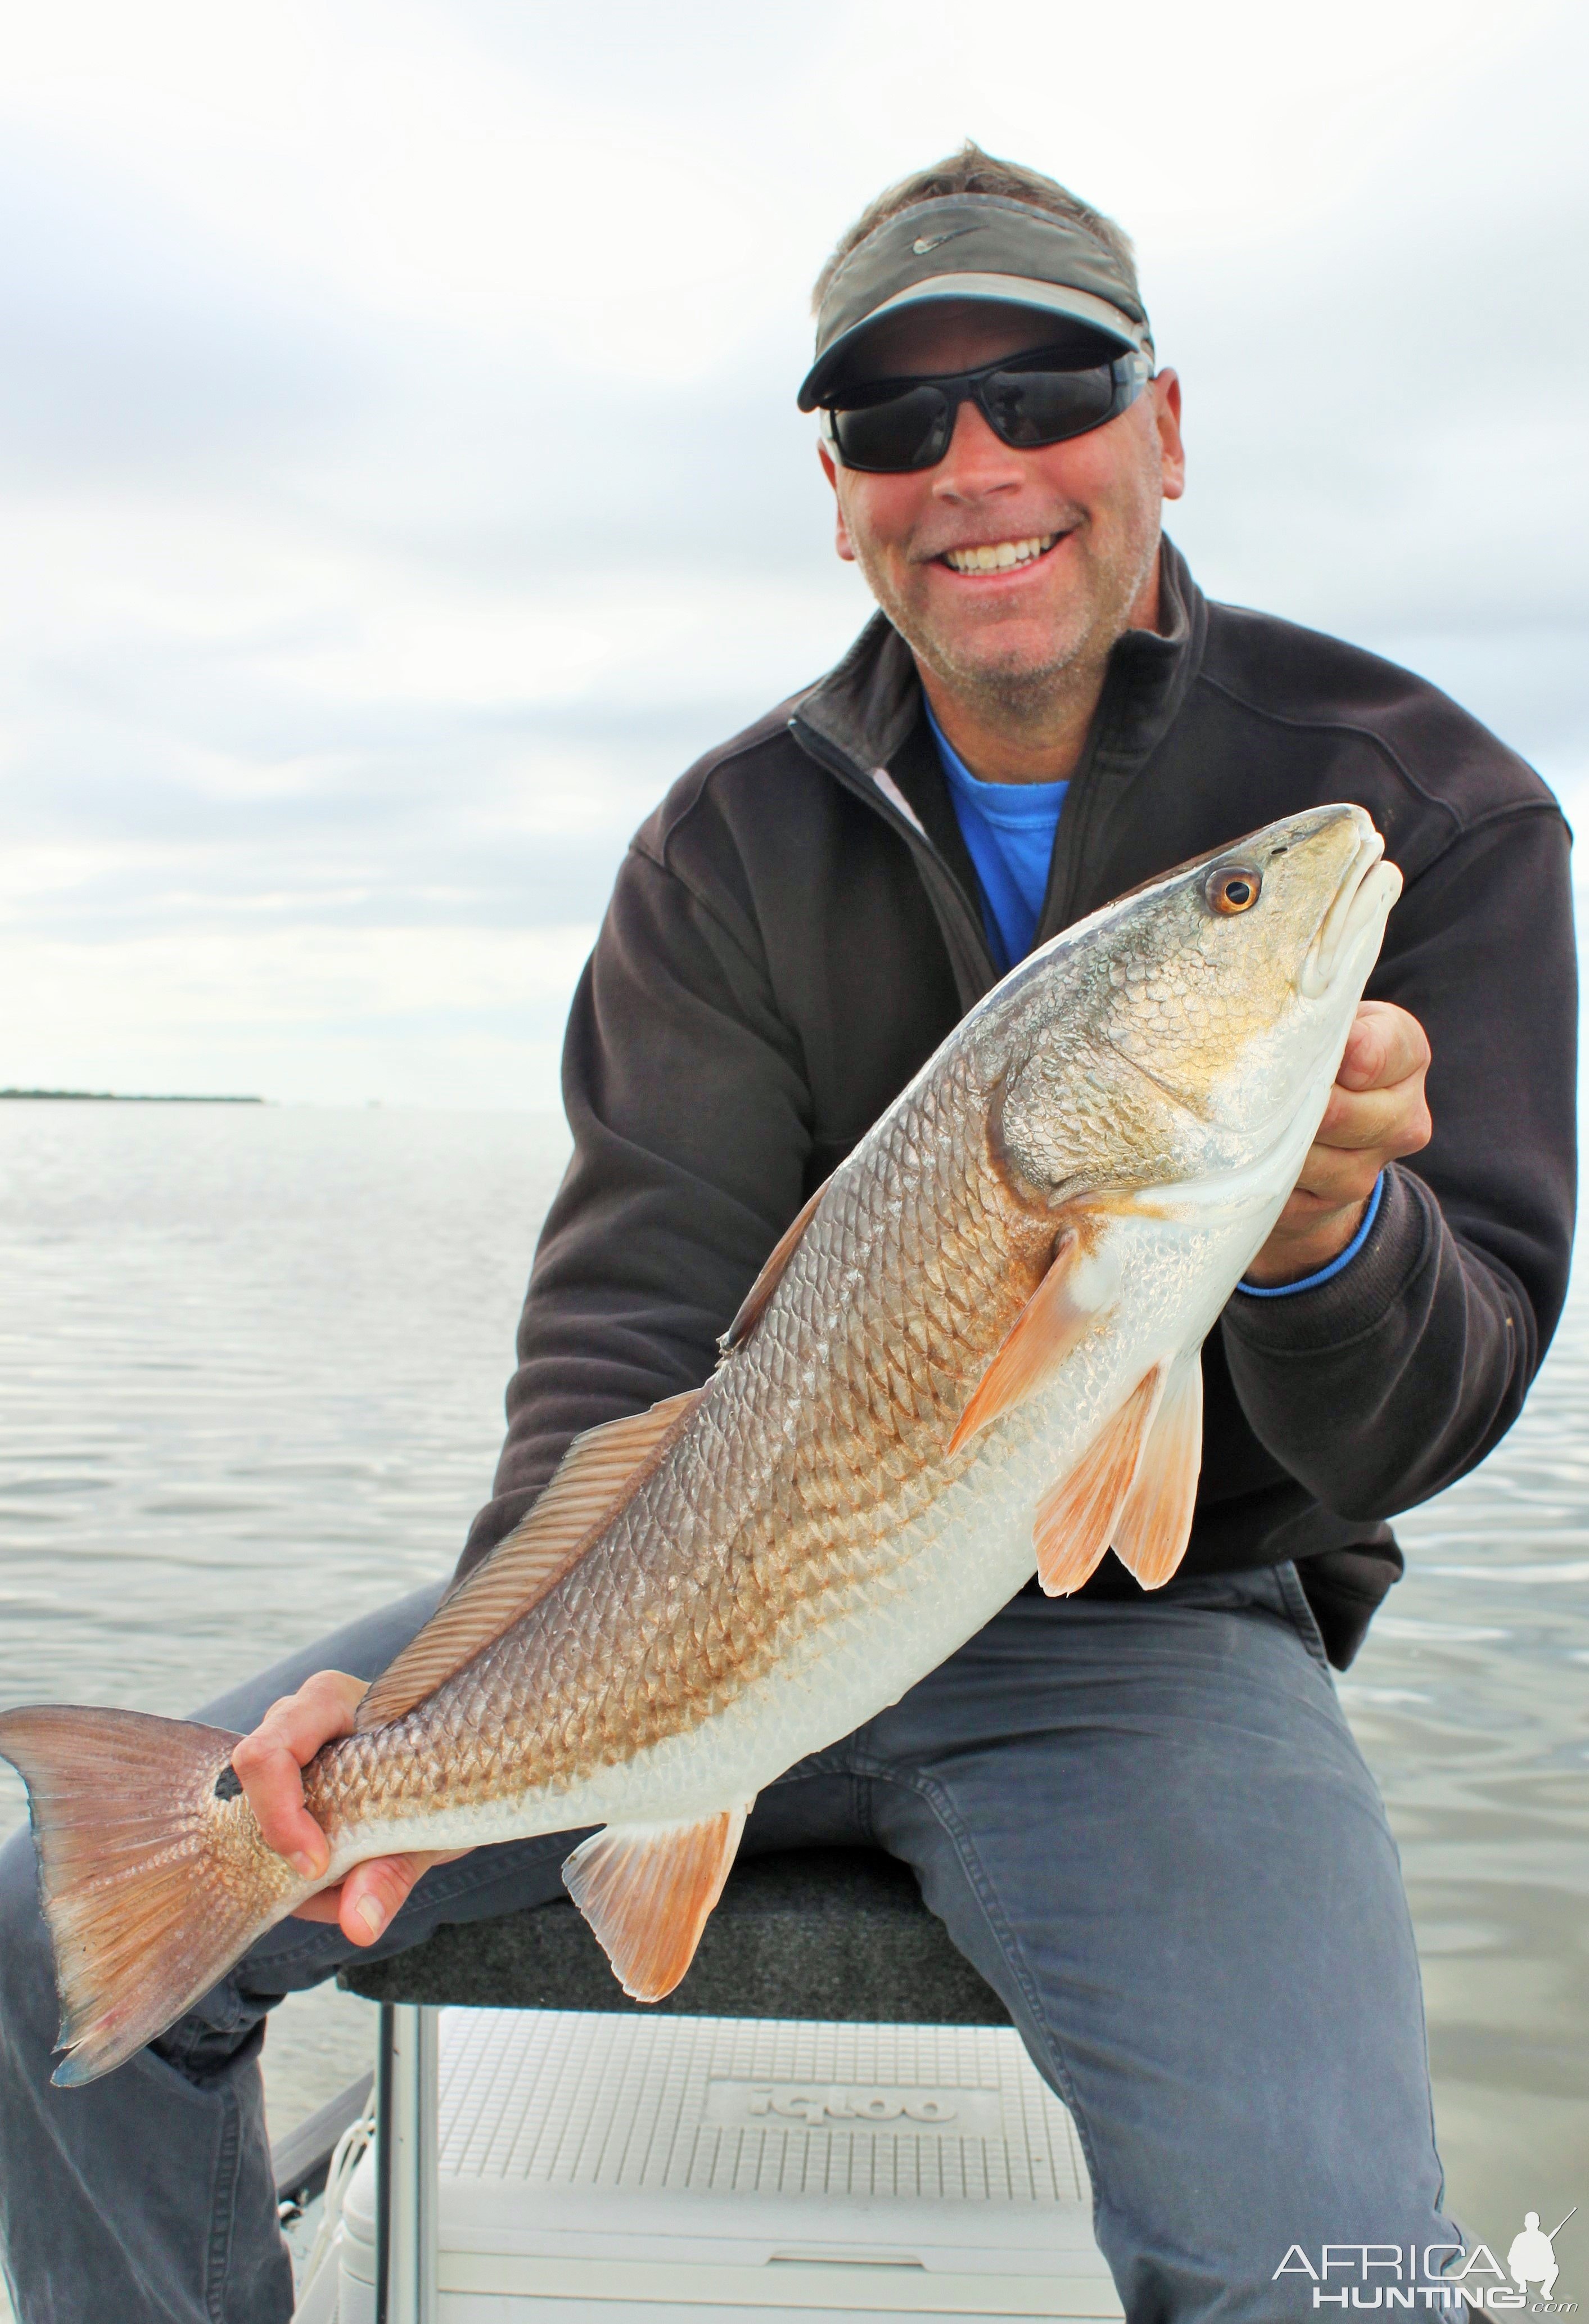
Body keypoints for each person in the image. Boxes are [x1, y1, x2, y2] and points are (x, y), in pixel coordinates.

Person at [0, 144, 1575, 2324]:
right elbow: (632, 1313)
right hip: (718, 1597)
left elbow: (1449, 1386)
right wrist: (455, 1683)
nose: (973, 463)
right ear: (833, 487)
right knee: (52, 1915)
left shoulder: (1416, 800)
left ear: (1167, 427)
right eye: (894, 420)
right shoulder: (723, 839)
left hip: (1156, 1627)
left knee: (1331, 2270)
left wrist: (1320, 1233)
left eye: (1044, 387)